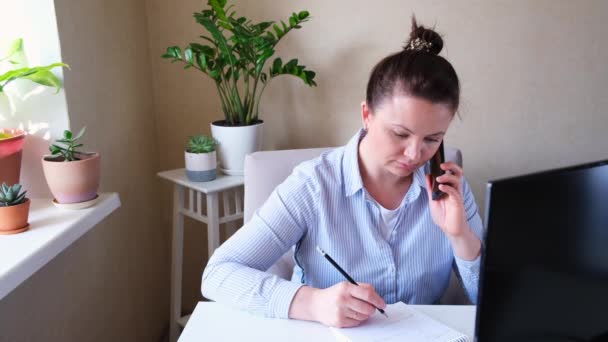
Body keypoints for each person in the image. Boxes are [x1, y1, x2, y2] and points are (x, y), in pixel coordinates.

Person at [202, 17, 483, 328]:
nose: (415, 154)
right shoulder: (312, 186)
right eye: (400, 134)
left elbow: (494, 301)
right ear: (366, 114)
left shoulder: (451, 189)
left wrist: (461, 238)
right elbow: (219, 274)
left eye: (433, 139)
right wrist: (312, 302)